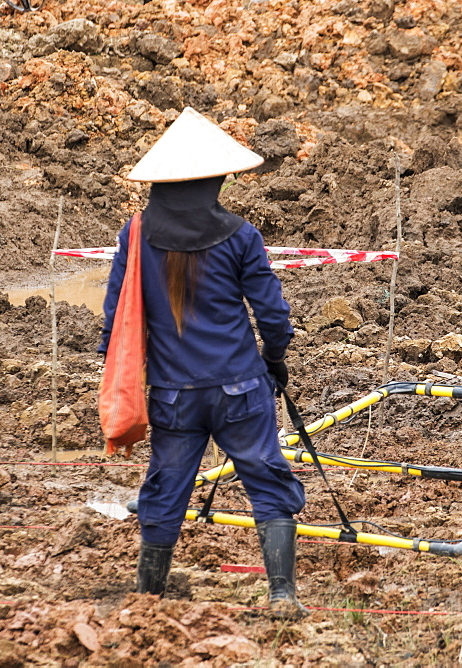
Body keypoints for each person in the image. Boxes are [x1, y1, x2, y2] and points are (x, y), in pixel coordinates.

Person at [99, 107, 308, 618]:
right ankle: (281, 594)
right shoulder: (241, 235)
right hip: (240, 389)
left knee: (167, 485)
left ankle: (148, 597)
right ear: (215, 180)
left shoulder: (135, 233)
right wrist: (274, 359)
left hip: (172, 395)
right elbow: (273, 315)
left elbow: (115, 318)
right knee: (267, 479)